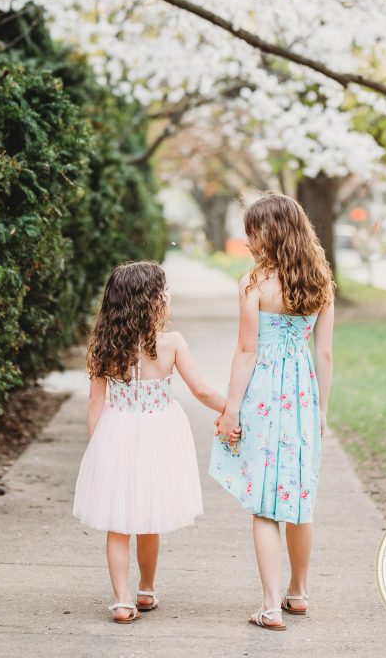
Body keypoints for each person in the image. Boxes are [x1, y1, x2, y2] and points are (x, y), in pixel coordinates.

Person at [73, 259, 234, 623]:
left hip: (117, 433)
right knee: (150, 516)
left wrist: (98, 449)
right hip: (161, 434)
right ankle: (146, 590)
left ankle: (122, 600)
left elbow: (96, 402)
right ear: (152, 301)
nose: (169, 299)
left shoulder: (105, 343)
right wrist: (230, 409)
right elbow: (201, 390)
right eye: (165, 293)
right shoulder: (172, 343)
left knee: (119, 522)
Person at [209, 192, 335, 631]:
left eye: (252, 231)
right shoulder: (320, 281)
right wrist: (320, 411)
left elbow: (246, 351)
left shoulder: (254, 284)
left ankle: (268, 606)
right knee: (300, 499)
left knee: (265, 505)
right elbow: (325, 355)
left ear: (271, 231)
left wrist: (231, 410)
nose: (247, 240)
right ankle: (297, 594)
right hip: (300, 396)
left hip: (263, 394)